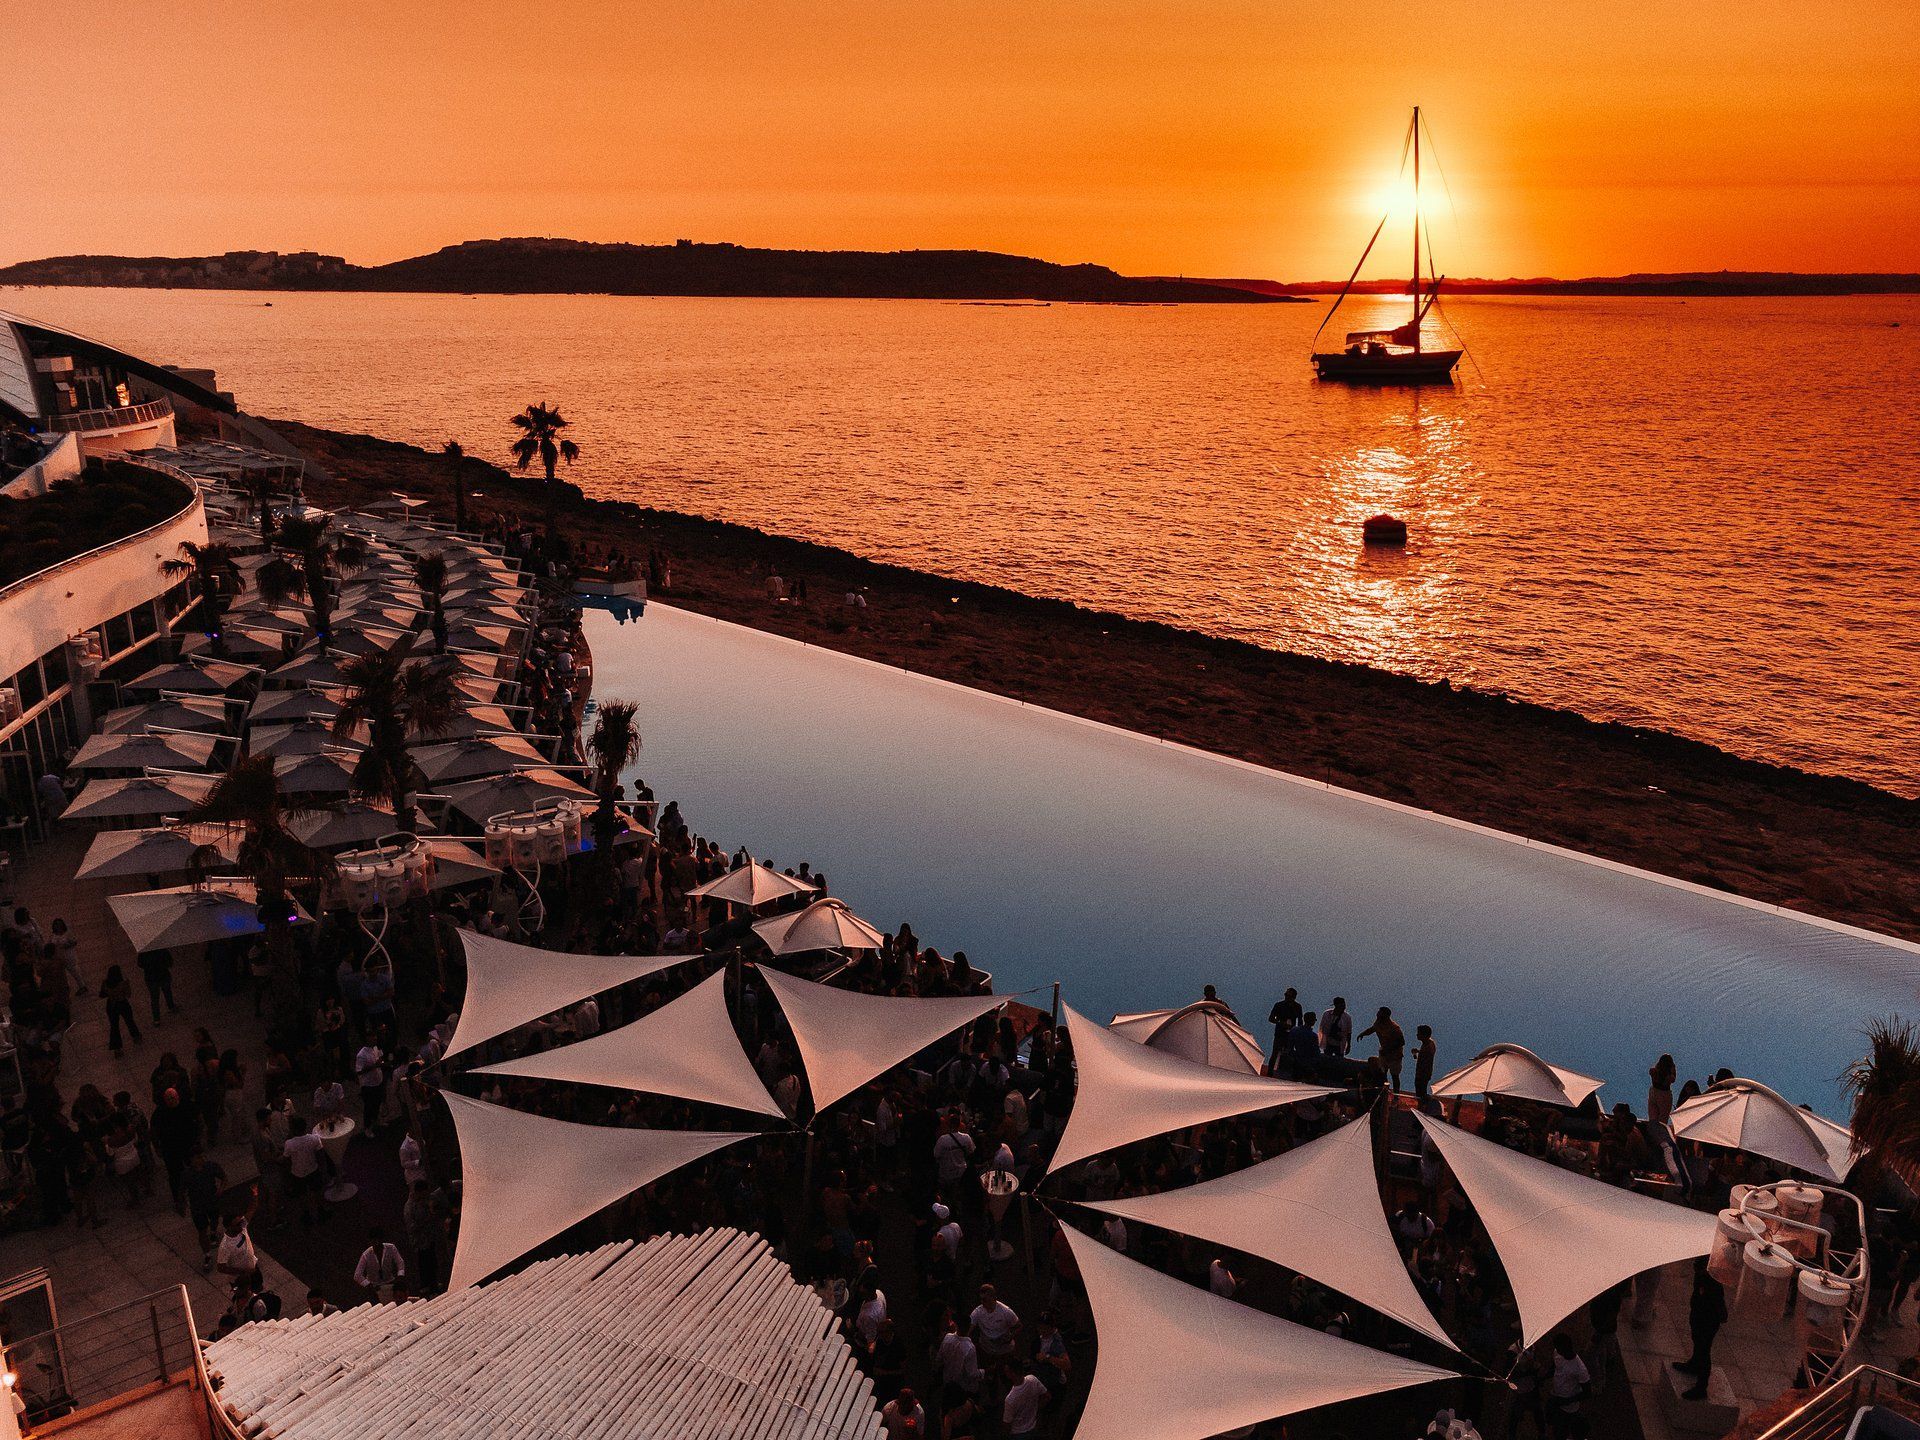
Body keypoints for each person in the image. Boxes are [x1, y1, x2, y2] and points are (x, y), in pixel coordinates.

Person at [1671, 1258, 1727, 1399]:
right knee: (1697, 1341)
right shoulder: (1703, 1274)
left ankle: (1701, 1387)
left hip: (1707, 1317)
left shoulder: (1711, 1278)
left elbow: (1717, 1304)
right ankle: (1694, 1364)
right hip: (1699, 1312)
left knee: (1703, 1349)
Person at [1546, 1333, 1590, 1439]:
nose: (1556, 1350)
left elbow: (1587, 1392)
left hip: (1568, 1407)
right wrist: (1543, 1378)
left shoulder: (1580, 1369)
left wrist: (1566, 1401)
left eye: (1558, 1348)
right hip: (1556, 1397)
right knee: (1553, 1423)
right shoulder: (1557, 1353)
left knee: (1562, 1430)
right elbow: (1554, 1367)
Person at [1358, 1006, 1406, 1090]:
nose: (1377, 1015)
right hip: (1384, 1054)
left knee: (1394, 1076)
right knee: (1383, 1073)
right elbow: (1372, 1029)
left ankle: (1396, 1094)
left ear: (1386, 1016)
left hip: (1395, 1056)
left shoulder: (1394, 1028)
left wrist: (1388, 1050)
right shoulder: (1378, 1023)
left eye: (1379, 1014)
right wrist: (1363, 1034)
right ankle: (1384, 1091)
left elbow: (1401, 1042)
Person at [354, 1227, 406, 1302]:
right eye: (374, 1241)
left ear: (382, 1240)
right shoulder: (366, 1255)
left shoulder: (391, 1248)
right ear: (370, 1242)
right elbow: (357, 1275)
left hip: (390, 1283)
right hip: (374, 1287)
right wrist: (368, 1285)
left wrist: (400, 1276)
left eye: (378, 1240)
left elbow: (400, 1262)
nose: (377, 1243)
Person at [101, 965, 141, 1055]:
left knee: (114, 1026)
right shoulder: (123, 983)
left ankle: (117, 1048)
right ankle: (136, 1036)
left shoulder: (105, 983)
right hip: (122, 1004)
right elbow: (128, 994)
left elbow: (102, 994)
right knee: (129, 1020)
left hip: (111, 1005)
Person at [138, 947, 178, 1024]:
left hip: (151, 978)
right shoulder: (161, 950)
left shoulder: (143, 952)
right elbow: (169, 962)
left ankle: (156, 1019)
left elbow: (140, 964)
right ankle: (171, 1007)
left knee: (154, 998)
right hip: (163, 975)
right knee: (167, 992)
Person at [1002, 1371, 1049, 1437]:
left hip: (1018, 1433)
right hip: (1033, 1426)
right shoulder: (1032, 1379)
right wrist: (1037, 1410)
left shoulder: (1010, 1399)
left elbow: (1007, 1424)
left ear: (1010, 1374)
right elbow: (1047, 1396)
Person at [1267, 988, 1301, 1068]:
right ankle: (1270, 1072)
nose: (1286, 997)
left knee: (1288, 1054)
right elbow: (1271, 1018)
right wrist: (1281, 1023)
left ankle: (1283, 1070)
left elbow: (1300, 1021)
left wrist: (1298, 1032)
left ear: (1293, 997)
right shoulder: (1279, 1005)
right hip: (1280, 1033)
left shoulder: (1297, 1007)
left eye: (1288, 995)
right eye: (1286, 995)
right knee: (1275, 1053)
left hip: (1291, 1034)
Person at [1648, 1055, 1678, 1126]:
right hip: (1664, 1093)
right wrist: (1672, 1069)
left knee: (1654, 1117)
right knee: (1662, 1119)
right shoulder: (1667, 1074)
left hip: (1654, 1091)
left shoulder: (1654, 1071)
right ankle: (1657, 1129)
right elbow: (1672, 1079)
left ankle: (1653, 1129)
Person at [1413, 1024, 1439, 1104]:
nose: (1417, 1034)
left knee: (1420, 1093)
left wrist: (1417, 1054)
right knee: (1421, 1091)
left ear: (1424, 1035)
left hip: (1422, 1073)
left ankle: (1423, 1106)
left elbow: (1425, 1059)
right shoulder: (1429, 1043)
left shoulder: (1428, 1046)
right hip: (1424, 1073)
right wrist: (1418, 1052)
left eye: (1419, 1033)